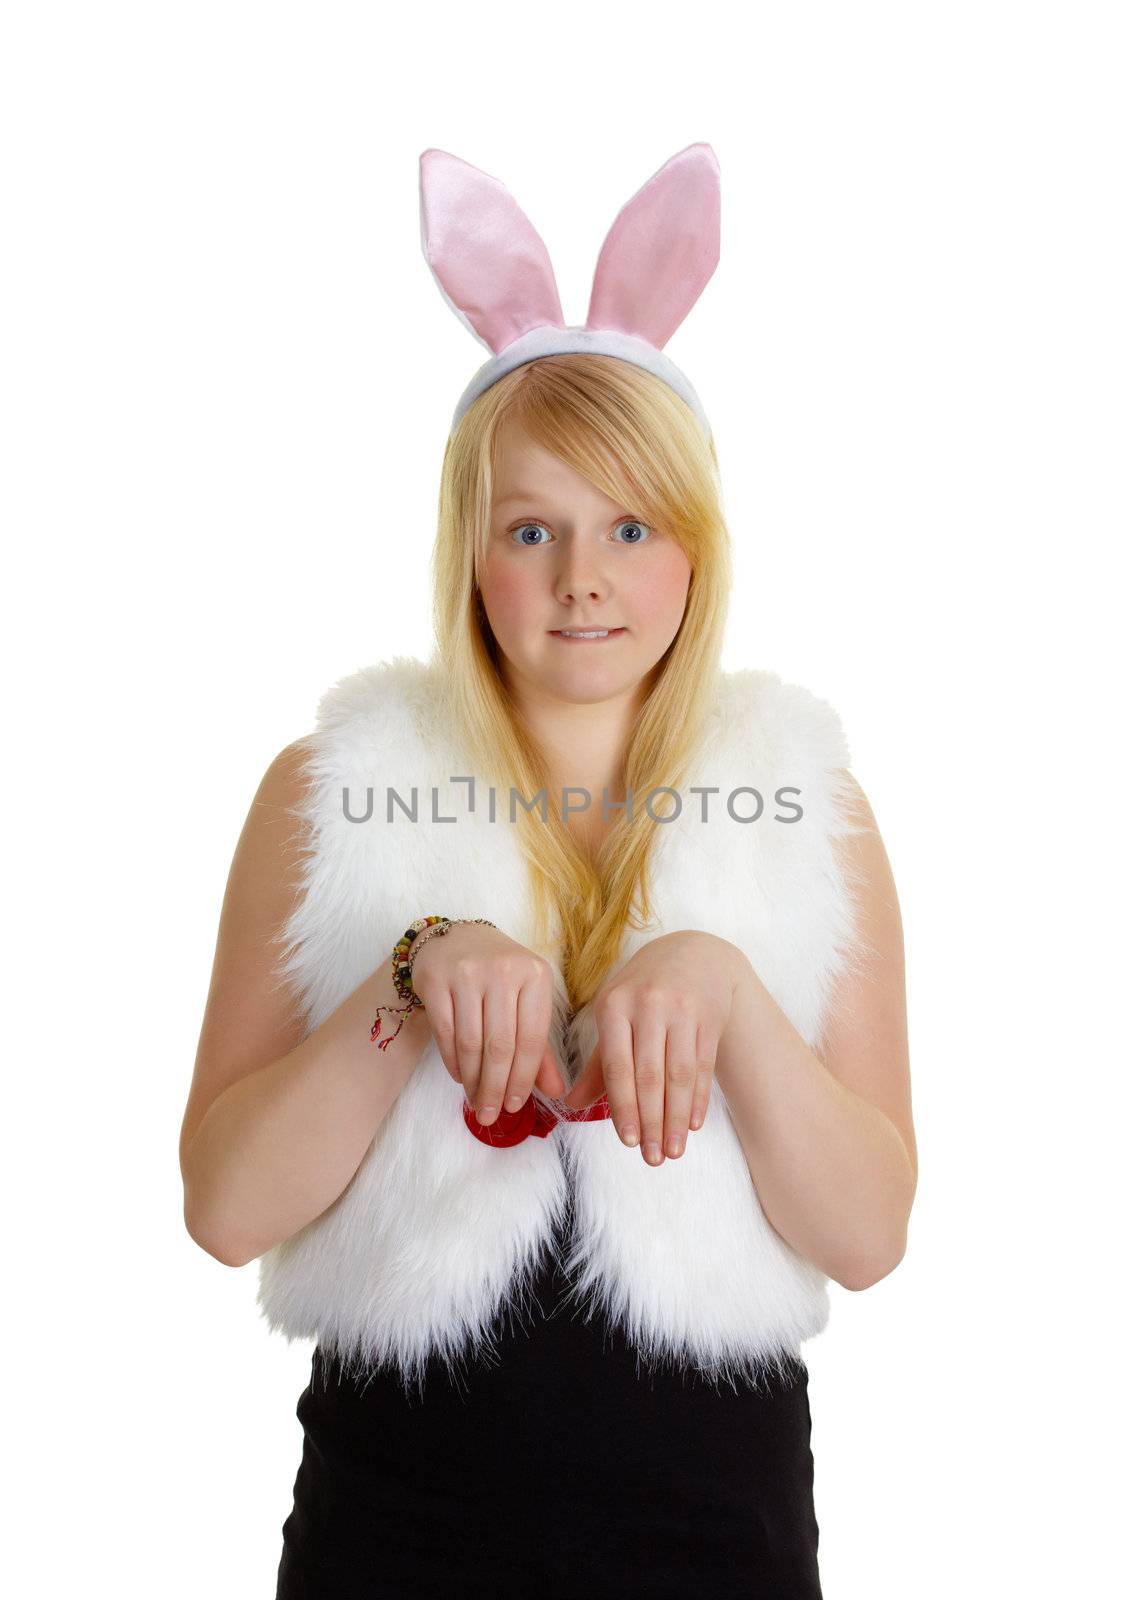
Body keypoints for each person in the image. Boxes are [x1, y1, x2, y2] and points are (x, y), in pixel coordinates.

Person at [179, 143, 917, 1598]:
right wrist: (411, 972)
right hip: (398, 1526)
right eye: (533, 530)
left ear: (694, 556)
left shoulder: (805, 806)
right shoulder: (328, 792)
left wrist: (723, 989)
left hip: (718, 1535)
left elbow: (869, 1234)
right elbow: (223, 1208)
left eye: (629, 528)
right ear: (472, 553)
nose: (582, 578)